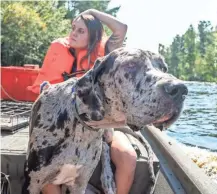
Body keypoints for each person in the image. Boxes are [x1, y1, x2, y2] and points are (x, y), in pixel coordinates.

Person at [28, 9, 137, 194]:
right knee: (45, 165)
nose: (73, 33)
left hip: (101, 126)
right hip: (63, 130)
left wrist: (92, 12)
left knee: (128, 157)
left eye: (81, 31)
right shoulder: (60, 51)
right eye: (73, 28)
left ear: (93, 35)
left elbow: (121, 28)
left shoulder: (106, 54)